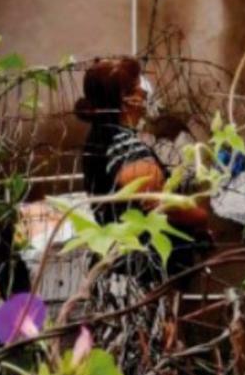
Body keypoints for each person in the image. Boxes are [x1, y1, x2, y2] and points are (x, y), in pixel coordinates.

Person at [74, 57, 211, 282]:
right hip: (146, 268)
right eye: (140, 86)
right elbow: (157, 205)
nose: (146, 93)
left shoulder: (103, 136)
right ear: (125, 98)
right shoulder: (121, 144)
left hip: (129, 263)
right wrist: (199, 217)